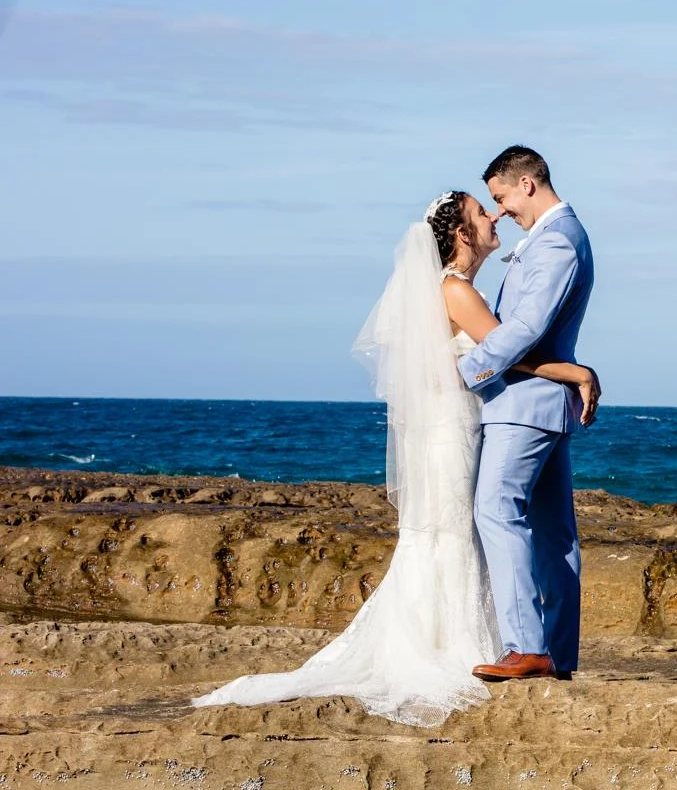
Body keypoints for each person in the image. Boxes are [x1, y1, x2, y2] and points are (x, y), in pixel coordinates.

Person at [191, 187, 597, 725]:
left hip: (441, 430)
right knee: (460, 530)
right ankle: (462, 644)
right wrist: (572, 371)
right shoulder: (456, 291)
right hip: (455, 430)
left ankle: (449, 640)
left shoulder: (439, 290)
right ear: (461, 234)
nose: (493, 215)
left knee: (442, 532)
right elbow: (508, 351)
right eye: (483, 211)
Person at [459, 146, 595, 682]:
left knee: (495, 510)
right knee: (553, 535)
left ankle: (527, 648)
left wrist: (471, 370)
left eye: (502, 198)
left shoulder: (558, 241)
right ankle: (557, 655)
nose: (500, 212)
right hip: (540, 404)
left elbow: (525, 328)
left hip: (523, 407)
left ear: (527, 184)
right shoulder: (549, 238)